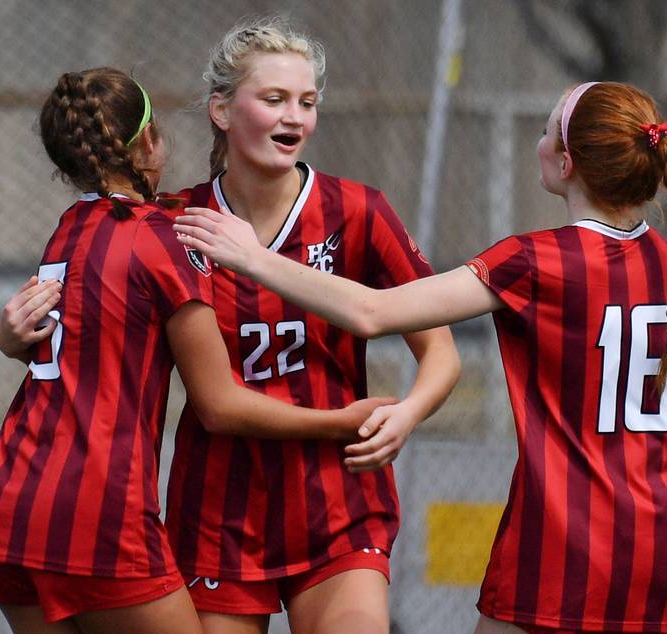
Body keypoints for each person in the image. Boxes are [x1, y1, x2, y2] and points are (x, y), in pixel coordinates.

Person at [175, 81, 667, 633]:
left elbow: (373, 313)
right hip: (662, 547)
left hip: (564, 546)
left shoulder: (535, 260)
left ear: (567, 162)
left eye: (547, 130)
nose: (539, 141)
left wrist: (252, 257)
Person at [0, 67, 393, 634]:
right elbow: (218, 404)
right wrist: (342, 420)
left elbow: (73, 346)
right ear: (147, 142)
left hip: (10, 508)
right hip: (99, 511)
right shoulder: (167, 236)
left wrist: (6, 341)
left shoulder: (69, 229)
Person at [160, 17, 459, 634]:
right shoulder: (179, 222)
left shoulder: (356, 211)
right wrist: (17, 334)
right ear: (221, 110)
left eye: (308, 101)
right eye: (273, 100)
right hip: (221, 506)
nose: (294, 116)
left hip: (338, 495)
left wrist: (406, 414)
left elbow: (442, 354)